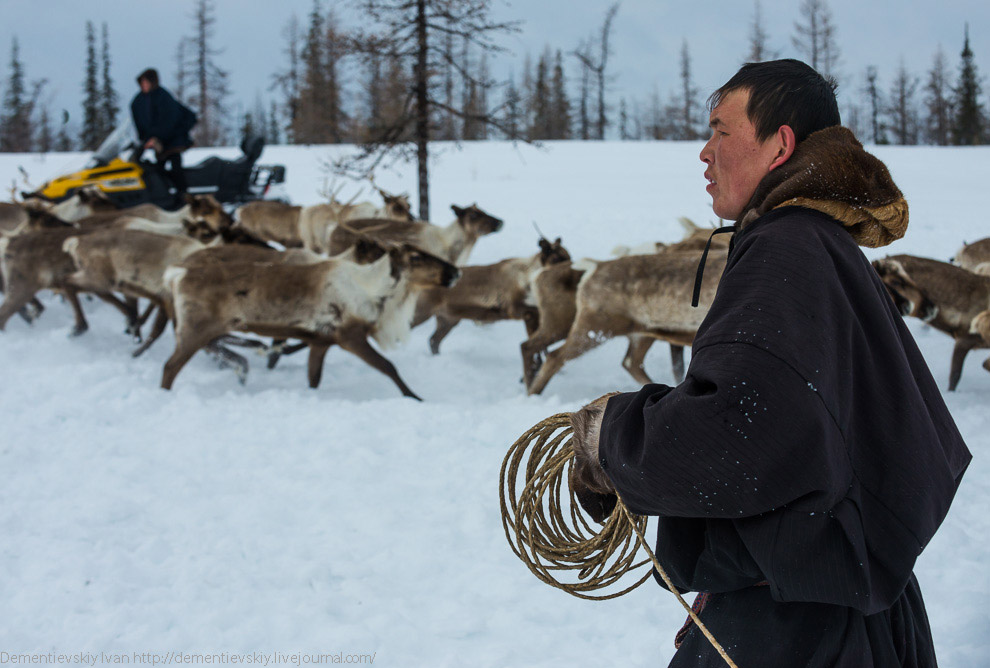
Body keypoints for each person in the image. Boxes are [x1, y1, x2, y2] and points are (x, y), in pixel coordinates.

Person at [568, 59, 971, 667]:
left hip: (792, 633)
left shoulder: (786, 248)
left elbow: (742, 429)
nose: (704, 153)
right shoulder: (823, 244)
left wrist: (610, 439)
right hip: (853, 616)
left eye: (721, 132)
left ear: (780, 144)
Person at [129, 67, 197, 206]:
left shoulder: (162, 96)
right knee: (158, 169)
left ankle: (184, 196)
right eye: (142, 83)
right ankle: (165, 194)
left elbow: (169, 120)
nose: (144, 85)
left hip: (173, 139)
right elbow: (141, 123)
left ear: (153, 82)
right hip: (158, 142)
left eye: (147, 82)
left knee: (175, 166)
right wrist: (145, 139)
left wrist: (154, 136)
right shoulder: (139, 101)